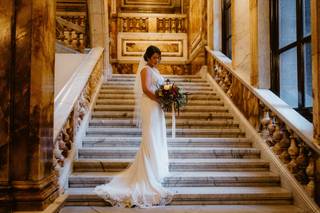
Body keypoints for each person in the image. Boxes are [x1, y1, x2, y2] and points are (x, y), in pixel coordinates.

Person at [94, 45, 174, 208]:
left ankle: (154, 170)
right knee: (150, 136)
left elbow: (161, 87)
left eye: (159, 57)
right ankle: (146, 174)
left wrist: (168, 94)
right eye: (154, 57)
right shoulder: (145, 70)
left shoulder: (156, 71)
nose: (156, 60)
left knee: (157, 136)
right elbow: (145, 89)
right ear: (148, 57)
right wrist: (160, 99)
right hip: (150, 105)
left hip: (156, 106)